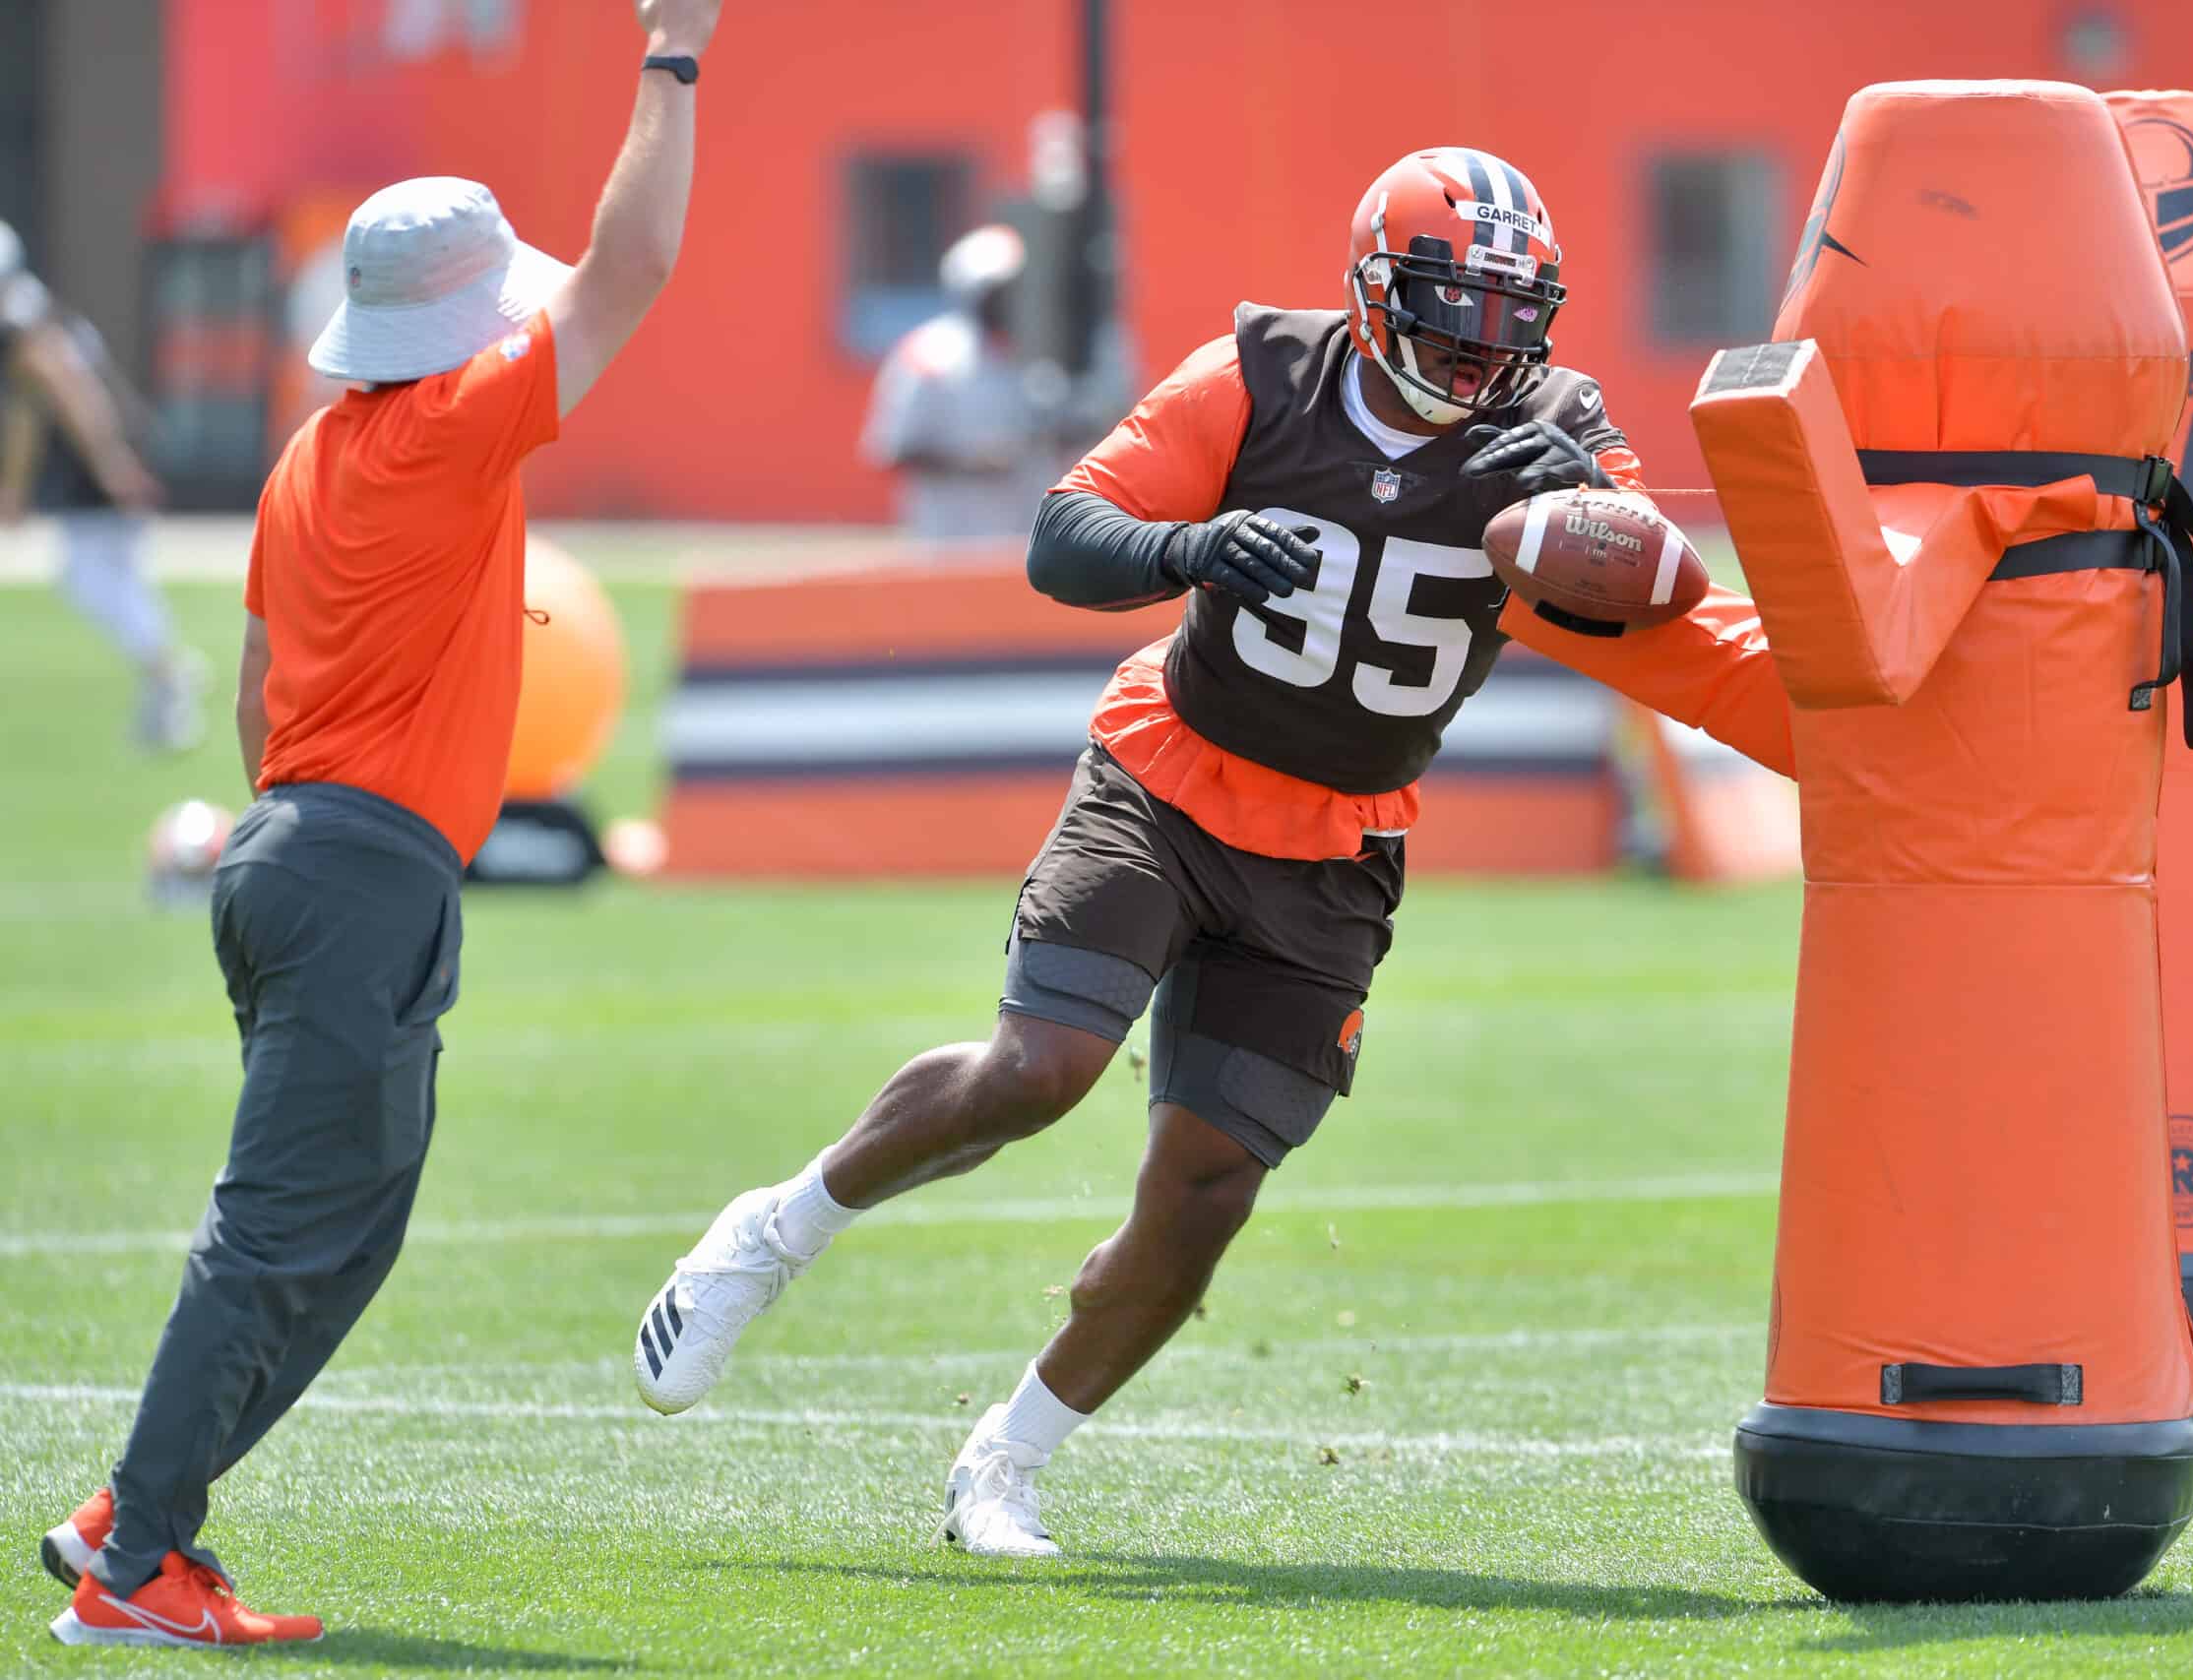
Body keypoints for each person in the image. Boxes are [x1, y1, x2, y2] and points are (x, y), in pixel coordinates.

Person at [634, 148, 1790, 1555]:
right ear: (1372, 289)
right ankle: (775, 1229)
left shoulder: (1550, 427)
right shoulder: (1261, 375)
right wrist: (1192, 547)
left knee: (1203, 1193)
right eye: (1449, 306)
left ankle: (1003, 1462)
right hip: (1168, 777)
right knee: (1038, 1068)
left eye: (1507, 314)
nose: (1479, 346)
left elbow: (1663, 595)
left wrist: (1628, 527)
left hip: (1335, 844)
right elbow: (1063, 539)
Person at [40, 0, 725, 1647]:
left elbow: (259, 683)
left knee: (352, 1221)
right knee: (285, 1225)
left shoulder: (314, 454)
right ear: (461, 329)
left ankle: (138, 1516)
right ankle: (133, 1565)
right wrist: (676, 51)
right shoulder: (444, 430)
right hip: (355, 870)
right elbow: (626, 271)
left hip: (301, 849)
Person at [0, 221, 203, 752]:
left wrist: (110, 464)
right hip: (107, 452)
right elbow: (30, 408)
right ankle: (163, 691)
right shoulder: (37, 309)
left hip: (94, 464)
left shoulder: (19, 322)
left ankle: (169, 673)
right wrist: (15, 485)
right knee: (110, 577)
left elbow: (69, 391)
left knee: (90, 578)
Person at [859, 223, 1075, 542]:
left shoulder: (1045, 358)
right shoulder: (929, 354)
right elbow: (893, 448)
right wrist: (975, 461)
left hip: (1026, 542)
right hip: (950, 537)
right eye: (1001, 291)